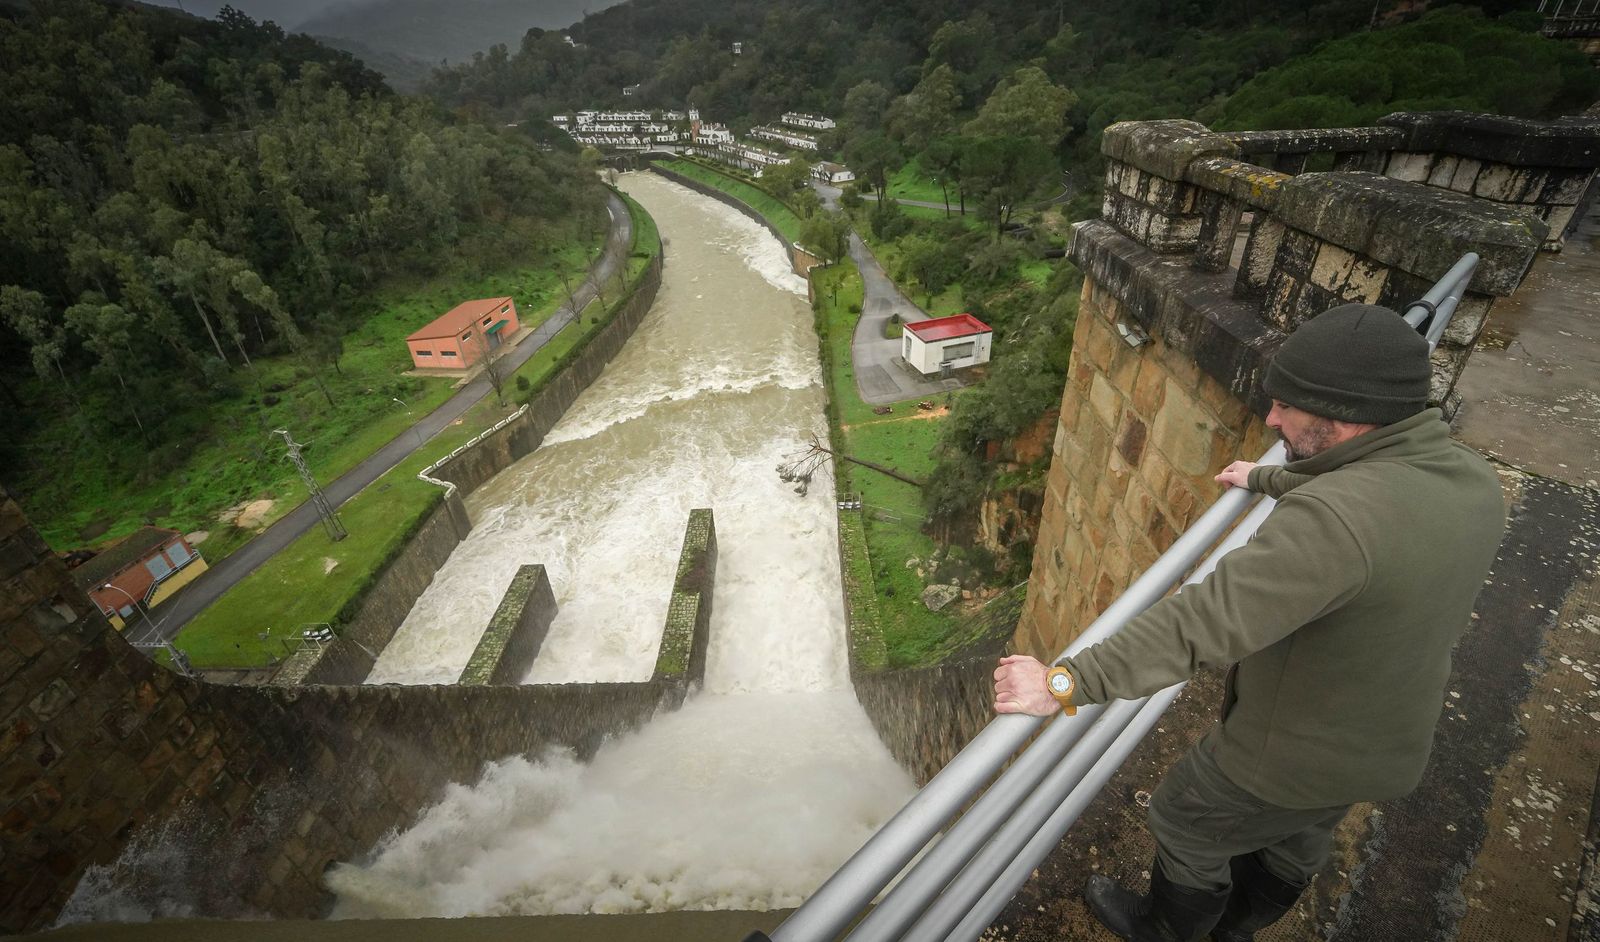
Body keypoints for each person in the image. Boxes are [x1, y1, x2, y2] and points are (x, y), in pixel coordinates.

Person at [992, 304, 1506, 942]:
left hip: (1287, 752)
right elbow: (1368, 513)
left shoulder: (1335, 524)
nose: (1270, 418)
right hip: (1387, 739)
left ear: (1341, 416)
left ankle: (1167, 931)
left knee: (1184, 819)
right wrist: (1268, 477)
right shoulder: (1473, 484)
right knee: (1296, 840)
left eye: (1286, 406)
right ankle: (1236, 929)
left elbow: (1202, 622)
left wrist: (1064, 683)